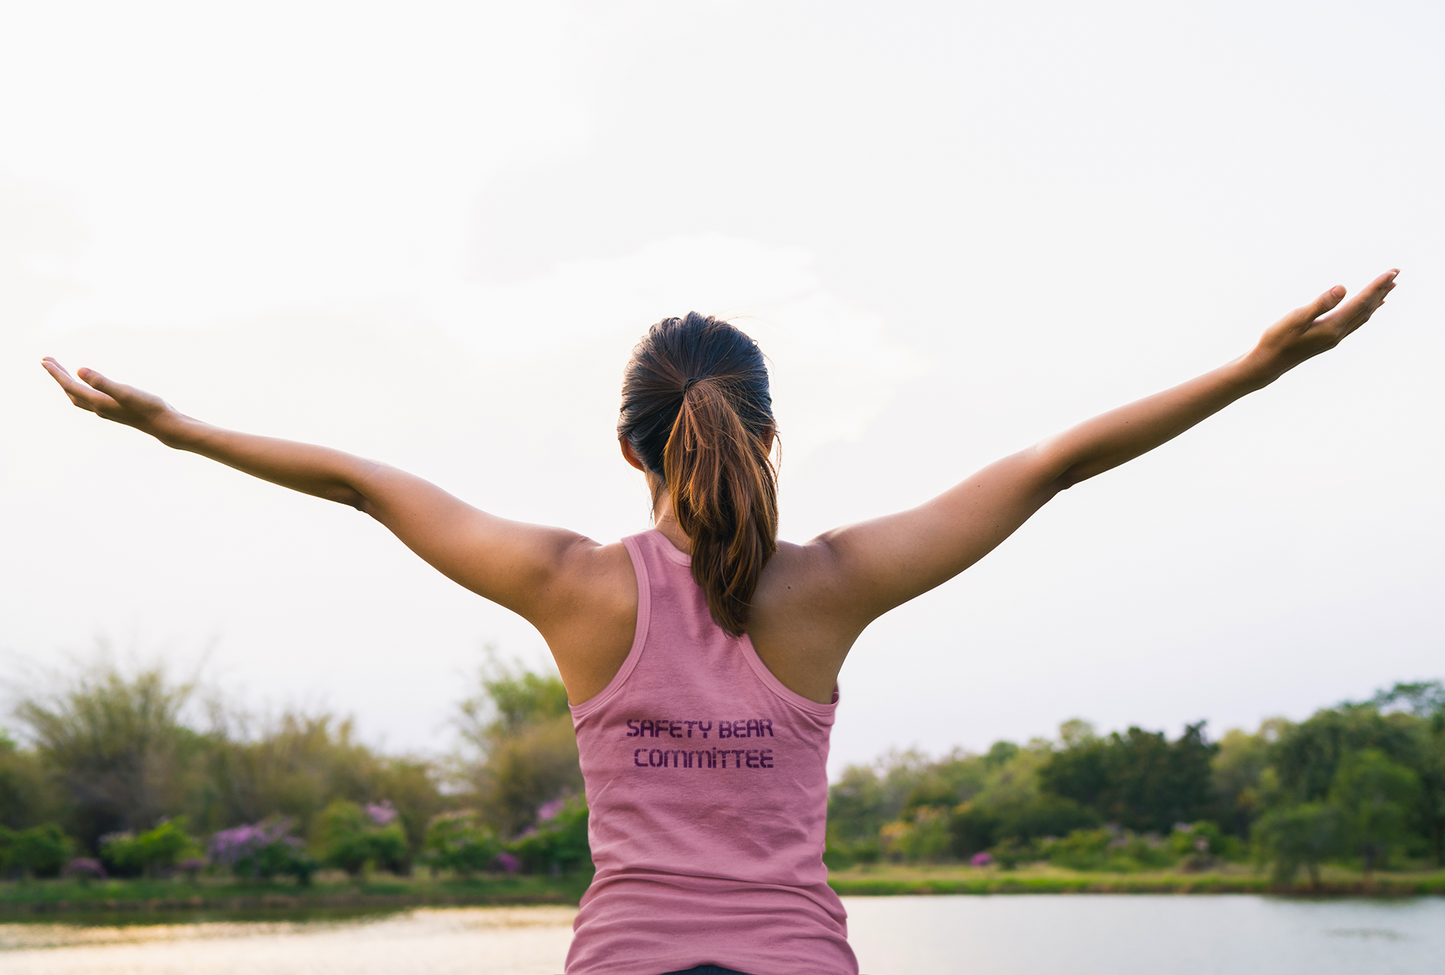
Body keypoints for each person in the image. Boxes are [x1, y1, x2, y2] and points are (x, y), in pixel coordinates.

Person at [43, 269, 1398, 974]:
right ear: (767, 434)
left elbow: (360, 482)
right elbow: (1050, 465)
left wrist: (174, 429)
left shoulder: (572, 584)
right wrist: (1256, 369)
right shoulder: (834, 583)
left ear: (632, 448)